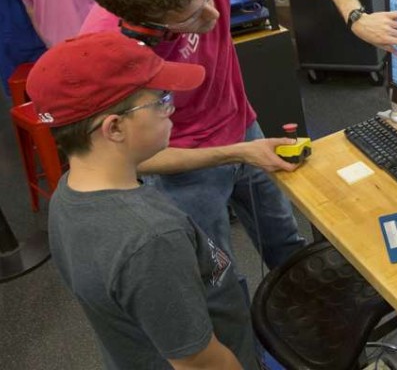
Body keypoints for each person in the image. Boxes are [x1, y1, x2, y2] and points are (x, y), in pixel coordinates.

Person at [80, 0, 397, 271]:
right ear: (148, 29)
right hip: (184, 165)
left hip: (244, 128)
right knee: (217, 274)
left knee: (286, 242)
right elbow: (132, 161)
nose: (213, 17)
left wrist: (356, 17)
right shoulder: (104, 53)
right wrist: (236, 153)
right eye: (191, 17)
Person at [27, 32, 258, 369]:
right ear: (115, 128)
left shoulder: (70, 191)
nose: (171, 107)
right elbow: (200, 363)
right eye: (161, 99)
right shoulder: (150, 240)